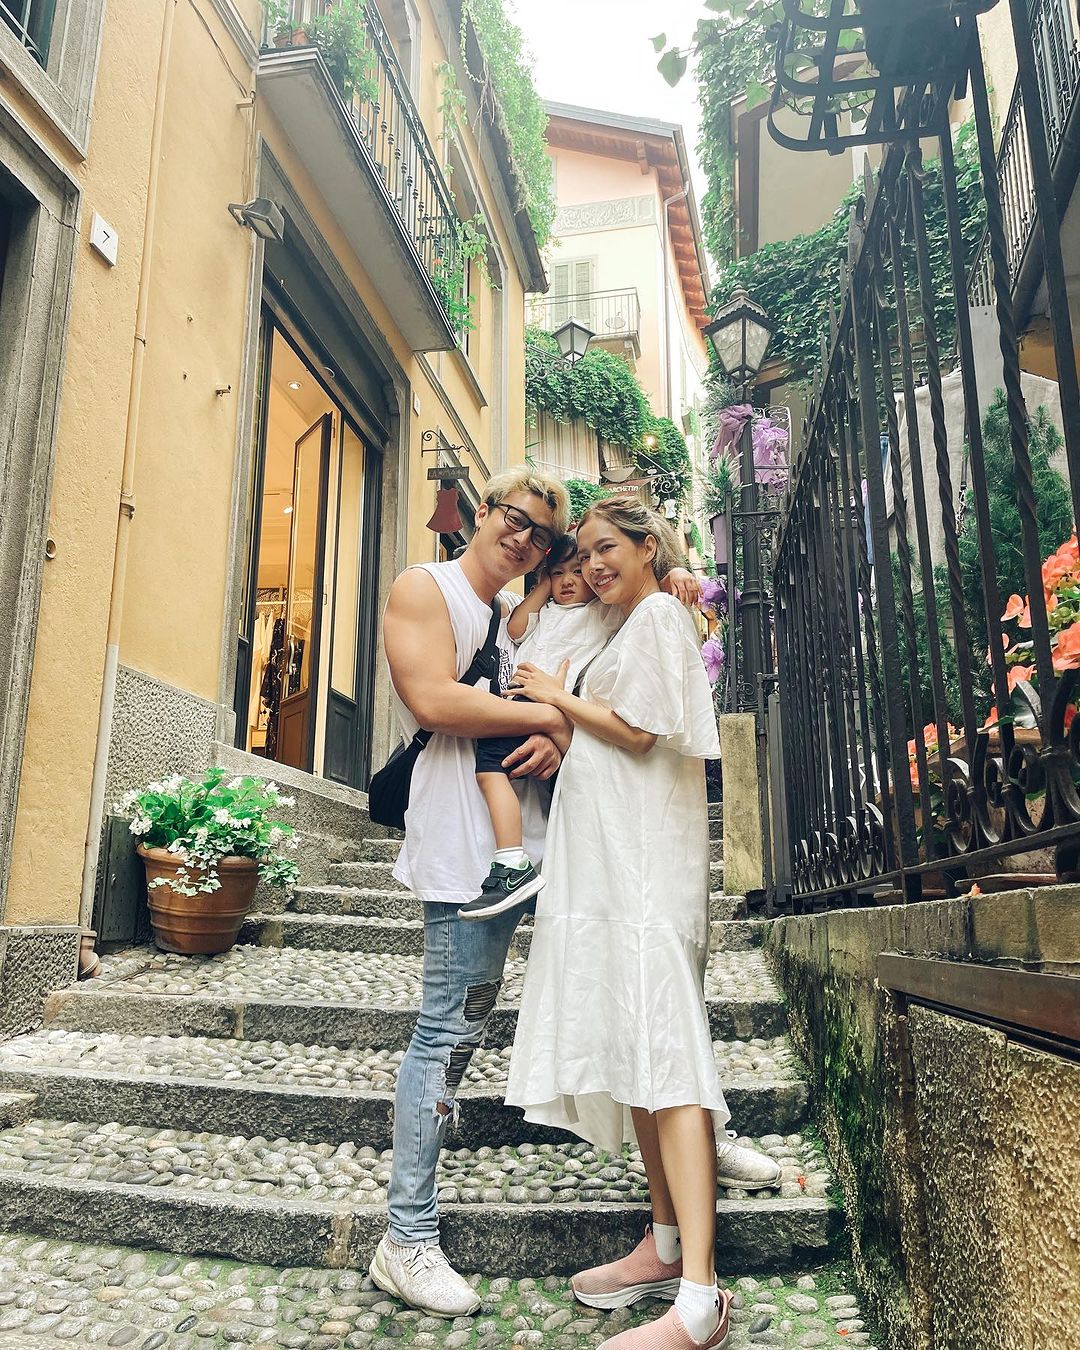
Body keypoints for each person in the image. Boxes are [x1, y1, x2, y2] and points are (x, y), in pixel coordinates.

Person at [505, 498, 748, 1350]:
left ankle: (700, 1300)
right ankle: (664, 1243)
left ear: (648, 546)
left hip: (645, 876)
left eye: (608, 546)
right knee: (644, 1060)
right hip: (615, 870)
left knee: (669, 1063)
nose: (594, 563)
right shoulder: (632, 618)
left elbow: (641, 734)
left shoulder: (655, 618)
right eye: (583, 552)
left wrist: (559, 697)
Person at [460, 532, 622, 921]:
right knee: (536, 789)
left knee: (490, 770)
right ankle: (534, 868)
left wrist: (673, 573)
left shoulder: (601, 613)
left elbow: (637, 594)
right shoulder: (544, 612)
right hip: (522, 703)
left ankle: (512, 862)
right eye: (558, 573)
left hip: (549, 704)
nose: (567, 581)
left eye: (577, 571)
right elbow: (516, 628)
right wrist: (542, 587)